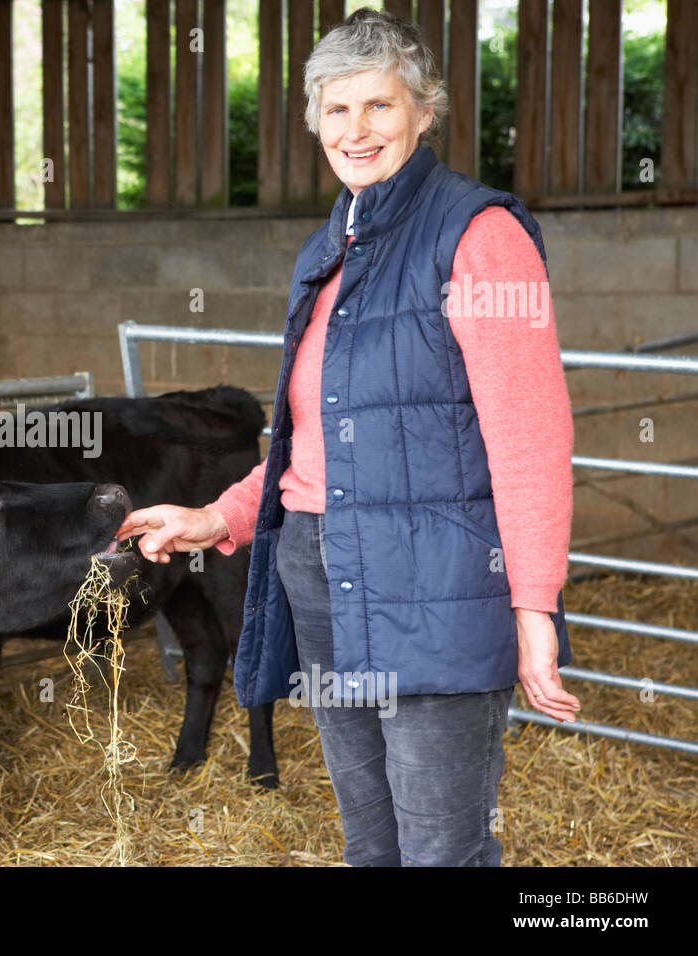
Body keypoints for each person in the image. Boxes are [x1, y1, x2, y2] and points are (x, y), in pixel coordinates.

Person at [115, 7, 581, 867]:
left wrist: (534, 605)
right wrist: (216, 519)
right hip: (322, 580)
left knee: (442, 847)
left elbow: (531, 438)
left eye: (380, 106)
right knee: (370, 840)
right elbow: (314, 441)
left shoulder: (480, 237)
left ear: (424, 110)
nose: (356, 130)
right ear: (314, 122)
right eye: (336, 109)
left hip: (435, 583)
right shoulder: (329, 248)